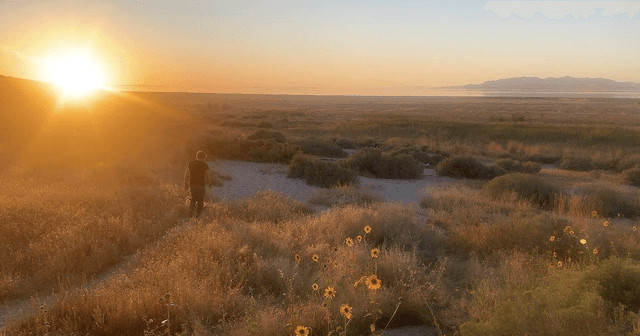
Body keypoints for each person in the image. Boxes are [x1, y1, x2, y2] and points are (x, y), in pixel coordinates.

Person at [184, 151, 212, 218]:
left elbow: (186, 174)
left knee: (193, 199)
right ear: (204, 157)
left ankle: (190, 215)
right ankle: (198, 216)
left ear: (197, 156)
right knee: (201, 200)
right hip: (201, 185)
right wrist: (210, 183)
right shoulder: (205, 165)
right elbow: (208, 175)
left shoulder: (190, 163)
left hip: (192, 184)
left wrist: (185, 183)